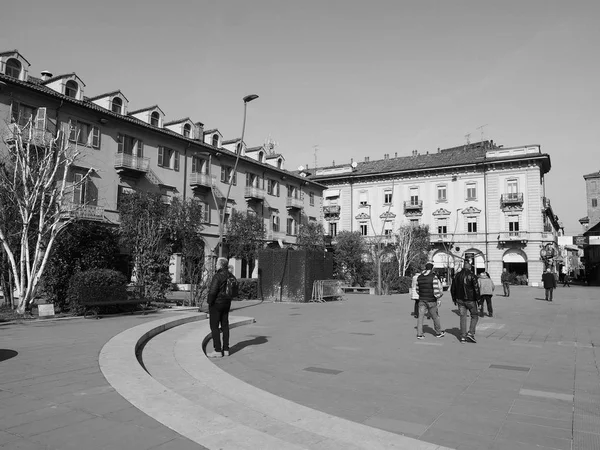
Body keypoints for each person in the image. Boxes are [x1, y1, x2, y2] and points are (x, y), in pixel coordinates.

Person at [206, 257, 237, 357]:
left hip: (217, 304)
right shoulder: (231, 275)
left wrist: (209, 302)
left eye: (217, 263)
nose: (216, 265)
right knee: (225, 326)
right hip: (227, 303)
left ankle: (218, 350)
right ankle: (226, 349)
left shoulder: (218, 276)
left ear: (220, 265)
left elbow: (213, 291)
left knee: (214, 326)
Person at [450, 262, 481, 344]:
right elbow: (476, 289)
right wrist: (479, 301)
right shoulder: (472, 275)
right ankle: (470, 333)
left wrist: (454, 298)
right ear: (470, 268)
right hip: (470, 300)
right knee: (474, 316)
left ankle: (463, 336)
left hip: (460, 299)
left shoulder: (457, 275)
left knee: (462, 317)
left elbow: (453, 288)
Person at [414, 263, 445, 340]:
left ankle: (419, 334)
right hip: (431, 300)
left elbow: (417, 289)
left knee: (420, 317)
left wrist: (421, 295)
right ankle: (438, 332)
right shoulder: (433, 277)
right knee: (435, 316)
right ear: (432, 268)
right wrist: (439, 297)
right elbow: (436, 290)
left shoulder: (419, 277)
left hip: (421, 299)